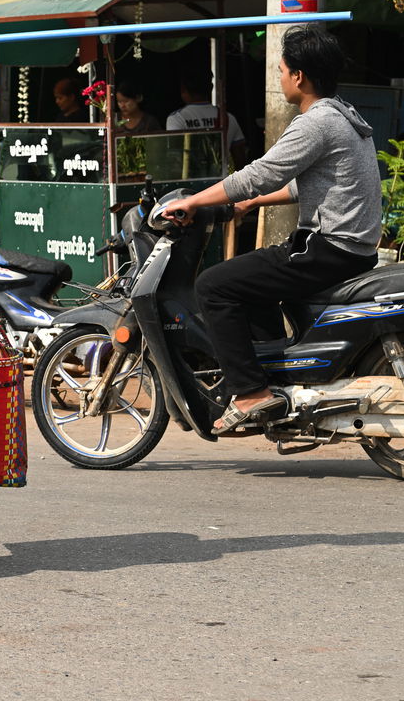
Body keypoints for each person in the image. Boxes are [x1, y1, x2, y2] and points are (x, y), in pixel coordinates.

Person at [162, 27, 380, 435]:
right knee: (250, 280)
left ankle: (250, 394)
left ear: (300, 77)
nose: (279, 79)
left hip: (328, 248)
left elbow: (258, 174)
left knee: (213, 285)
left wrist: (193, 200)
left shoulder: (315, 123)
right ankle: (275, 382)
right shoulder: (344, 114)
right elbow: (313, 182)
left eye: (280, 71)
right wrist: (254, 202)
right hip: (353, 247)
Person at [166, 70, 247, 164]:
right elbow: (240, 160)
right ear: (211, 87)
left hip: (190, 177)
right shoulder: (228, 118)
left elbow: (175, 158)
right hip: (222, 178)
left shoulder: (177, 118)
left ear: (183, 89)